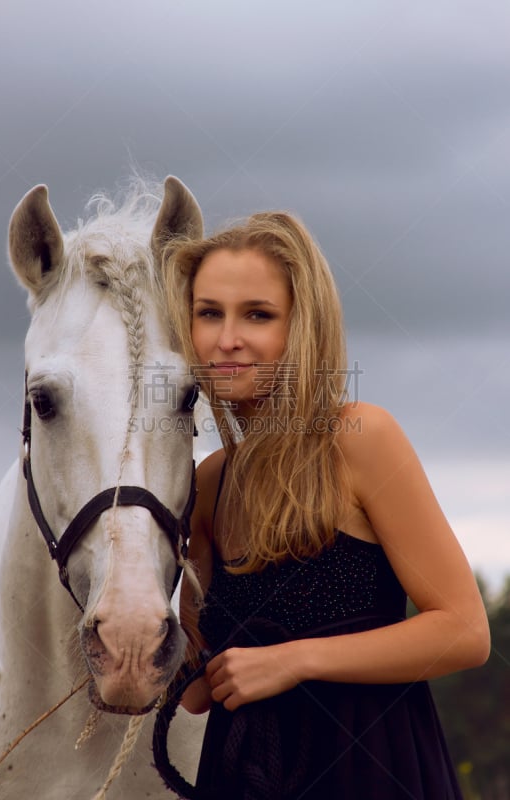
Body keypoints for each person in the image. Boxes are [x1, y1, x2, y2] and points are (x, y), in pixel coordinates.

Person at [162, 211, 490, 800]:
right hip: (244, 778)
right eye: (209, 312)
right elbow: (194, 693)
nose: (226, 338)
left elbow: (465, 631)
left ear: (301, 326)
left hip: (371, 768)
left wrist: (293, 661)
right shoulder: (208, 483)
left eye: (257, 314)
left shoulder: (359, 438)